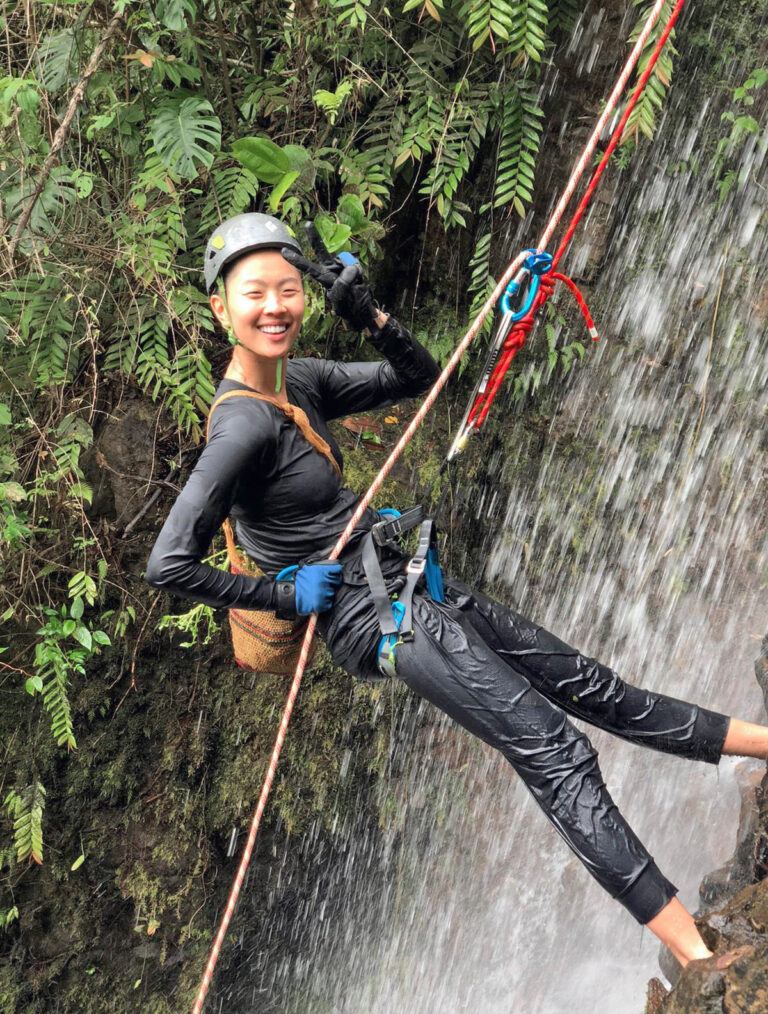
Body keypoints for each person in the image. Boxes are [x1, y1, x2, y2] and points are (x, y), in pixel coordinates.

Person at [146, 212, 768, 970]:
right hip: (374, 618)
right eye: (254, 294)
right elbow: (168, 562)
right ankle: (697, 956)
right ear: (220, 308)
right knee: (554, 749)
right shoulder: (240, 426)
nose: (275, 306)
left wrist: (368, 314)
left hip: (406, 580)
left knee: (593, 688)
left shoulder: (298, 384)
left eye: (287, 289)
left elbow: (419, 377)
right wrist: (285, 595)